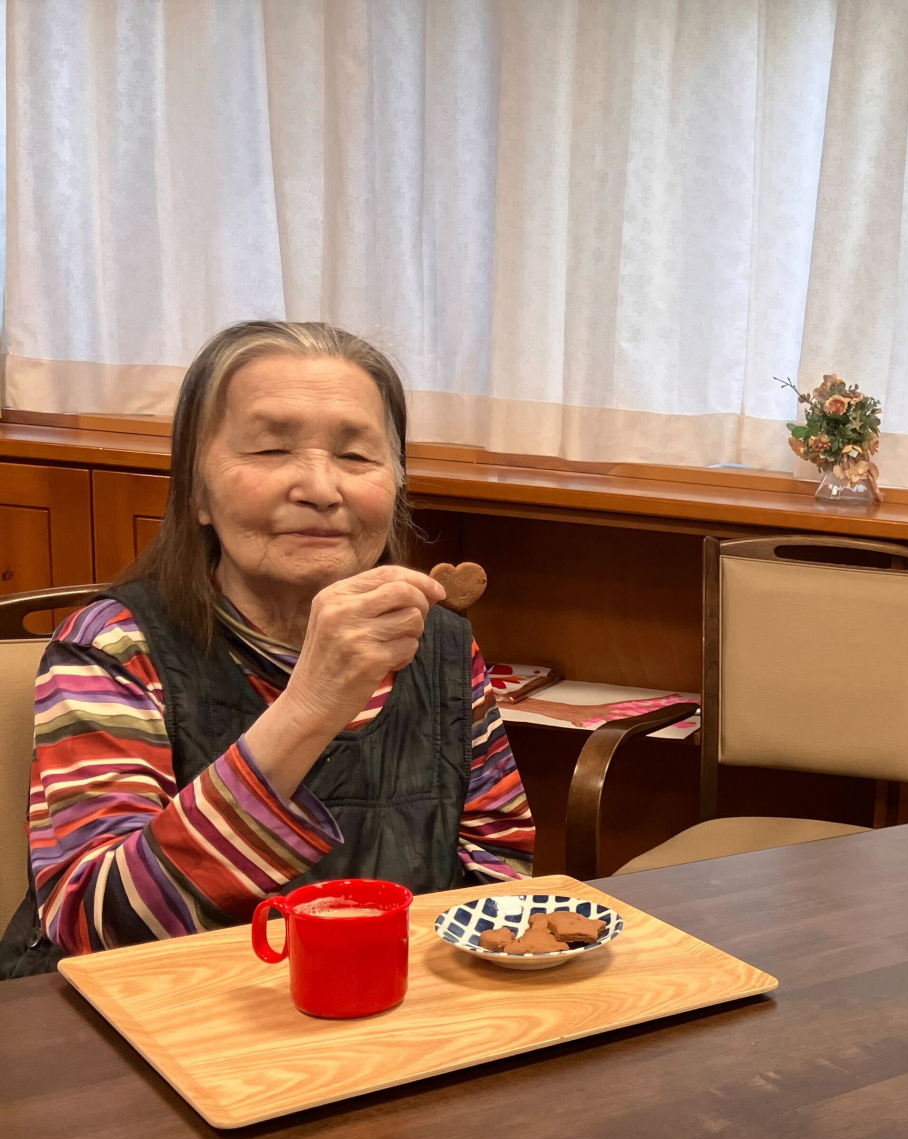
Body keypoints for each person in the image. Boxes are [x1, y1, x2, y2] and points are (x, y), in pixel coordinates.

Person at [1, 321, 533, 978]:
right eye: (271, 449)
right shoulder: (112, 647)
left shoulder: (440, 644)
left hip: (384, 1007)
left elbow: (497, 873)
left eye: (356, 456)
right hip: (158, 1019)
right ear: (197, 492)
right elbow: (99, 928)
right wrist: (311, 704)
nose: (320, 488)